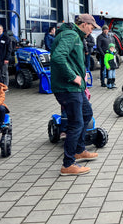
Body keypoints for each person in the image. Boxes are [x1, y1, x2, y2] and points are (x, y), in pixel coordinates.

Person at [51, 14, 100, 176]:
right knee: (76, 123)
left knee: (87, 114)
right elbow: (58, 57)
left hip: (75, 89)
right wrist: (73, 76)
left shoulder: (77, 36)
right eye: (92, 28)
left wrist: (82, 73)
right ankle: (68, 164)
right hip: (68, 88)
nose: (91, 31)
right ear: (84, 24)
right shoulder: (71, 35)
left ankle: (79, 150)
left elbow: (70, 59)